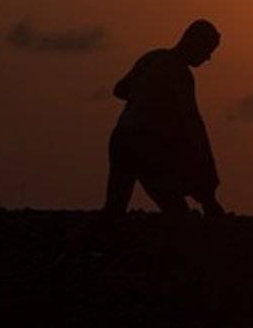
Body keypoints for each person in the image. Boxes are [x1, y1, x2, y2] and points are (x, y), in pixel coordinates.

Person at [93, 19, 227, 243]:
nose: (207, 58)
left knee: (113, 210)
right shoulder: (181, 75)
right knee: (176, 212)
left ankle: (68, 260)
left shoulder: (152, 58)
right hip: (145, 146)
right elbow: (192, 125)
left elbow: (121, 90)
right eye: (207, 51)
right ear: (194, 43)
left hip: (122, 139)